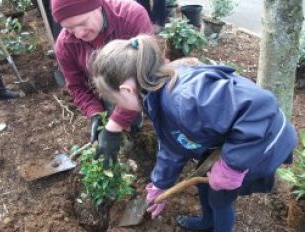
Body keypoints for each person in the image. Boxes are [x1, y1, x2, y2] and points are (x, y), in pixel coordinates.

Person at [89, 35, 298, 232]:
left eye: (116, 101)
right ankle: (208, 222)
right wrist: (161, 183)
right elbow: (174, 145)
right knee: (205, 182)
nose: (119, 107)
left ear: (126, 90)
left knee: (220, 197)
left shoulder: (186, 97)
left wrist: (231, 166)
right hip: (230, 140)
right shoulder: (156, 96)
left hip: (259, 141)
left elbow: (260, 107)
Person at [51, 0, 154, 168]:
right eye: (69, 28)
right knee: (111, 113)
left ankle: (140, 133)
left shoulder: (130, 15)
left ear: (98, 5)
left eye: (82, 23)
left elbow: (146, 73)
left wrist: (115, 125)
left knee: (144, 114)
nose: (78, 34)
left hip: (142, 82)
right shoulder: (64, 45)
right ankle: (128, 138)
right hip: (108, 89)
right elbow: (76, 86)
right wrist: (95, 114)